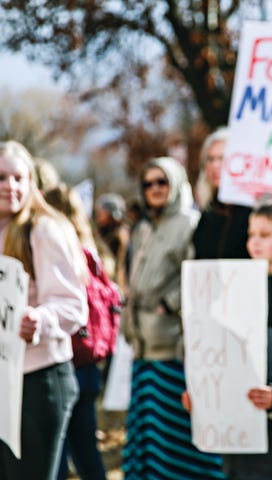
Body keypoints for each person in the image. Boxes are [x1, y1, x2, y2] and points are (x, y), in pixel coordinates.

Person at [183, 198, 272, 480]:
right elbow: (218, 355)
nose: (254, 242)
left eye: (265, 234)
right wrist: (205, 395)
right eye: (251, 234)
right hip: (238, 435)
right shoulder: (231, 293)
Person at [121, 157, 226, 479]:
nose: (154, 189)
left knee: (173, 440)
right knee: (147, 439)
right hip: (142, 347)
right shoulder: (143, 227)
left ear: (176, 183)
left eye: (161, 182)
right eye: (148, 183)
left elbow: (200, 276)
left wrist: (169, 303)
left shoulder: (188, 223)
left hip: (173, 348)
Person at [0, 141, 88, 480]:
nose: (11, 186)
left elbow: (73, 305)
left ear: (32, 182)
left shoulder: (43, 230)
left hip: (40, 381)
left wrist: (40, 319)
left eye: (19, 178)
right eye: (2, 177)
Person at [43, 183, 108, 480]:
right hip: (88, 363)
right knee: (87, 455)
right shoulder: (89, 252)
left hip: (61, 363)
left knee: (54, 457)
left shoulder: (53, 251)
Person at [192, 127, 252, 259]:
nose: (215, 165)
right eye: (210, 159)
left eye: (222, 158)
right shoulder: (208, 215)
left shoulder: (254, 214)